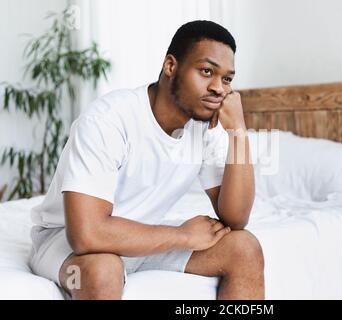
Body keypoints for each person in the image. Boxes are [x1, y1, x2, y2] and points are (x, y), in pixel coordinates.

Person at [29, 20, 264, 300]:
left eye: (227, 79)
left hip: (145, 239)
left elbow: (236, 218)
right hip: (64, 244)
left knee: (244, 248)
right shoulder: (108, 119)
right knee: (103, 270)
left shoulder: (203, 129)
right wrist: (183, 235)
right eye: (206, 71)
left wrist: (238, 132)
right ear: (170, 66)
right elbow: (86, 234)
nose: (219, 88)